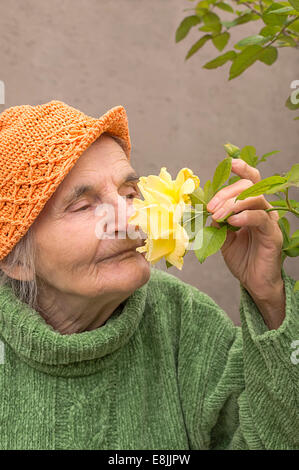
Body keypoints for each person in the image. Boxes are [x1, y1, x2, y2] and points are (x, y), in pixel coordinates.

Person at [0, 100, 297, 450]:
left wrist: (269, 298)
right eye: (84, 205)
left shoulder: (184, 319)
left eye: (129, 194)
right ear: (17, 262)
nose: (131, 220)